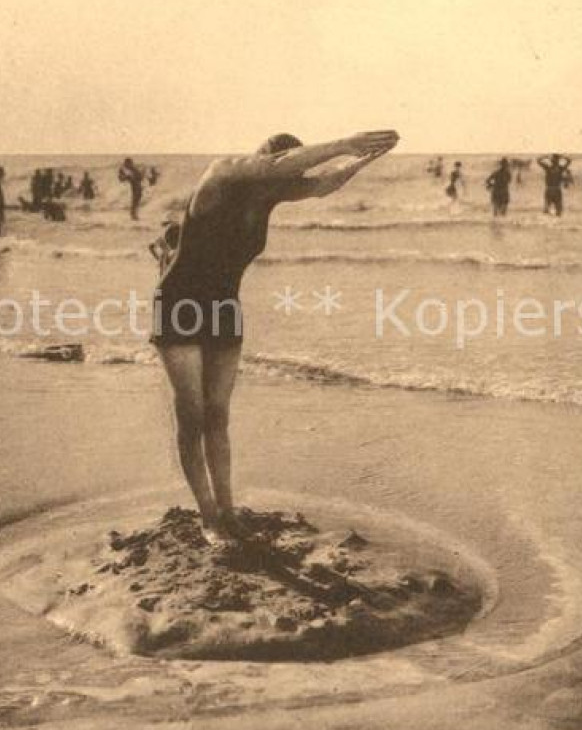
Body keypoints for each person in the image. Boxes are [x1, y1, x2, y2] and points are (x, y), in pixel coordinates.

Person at [151, 129, 399, 542]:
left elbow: (322, 186)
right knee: (191, 413)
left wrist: (364, 159)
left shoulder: (270, 192)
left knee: (218, 414)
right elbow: (276, 167)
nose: (283, 185)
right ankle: (209, 516)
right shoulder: (224, 173)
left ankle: (227, 510)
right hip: (179, 303)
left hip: (223, 307)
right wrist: (343, 143)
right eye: (281, 170)